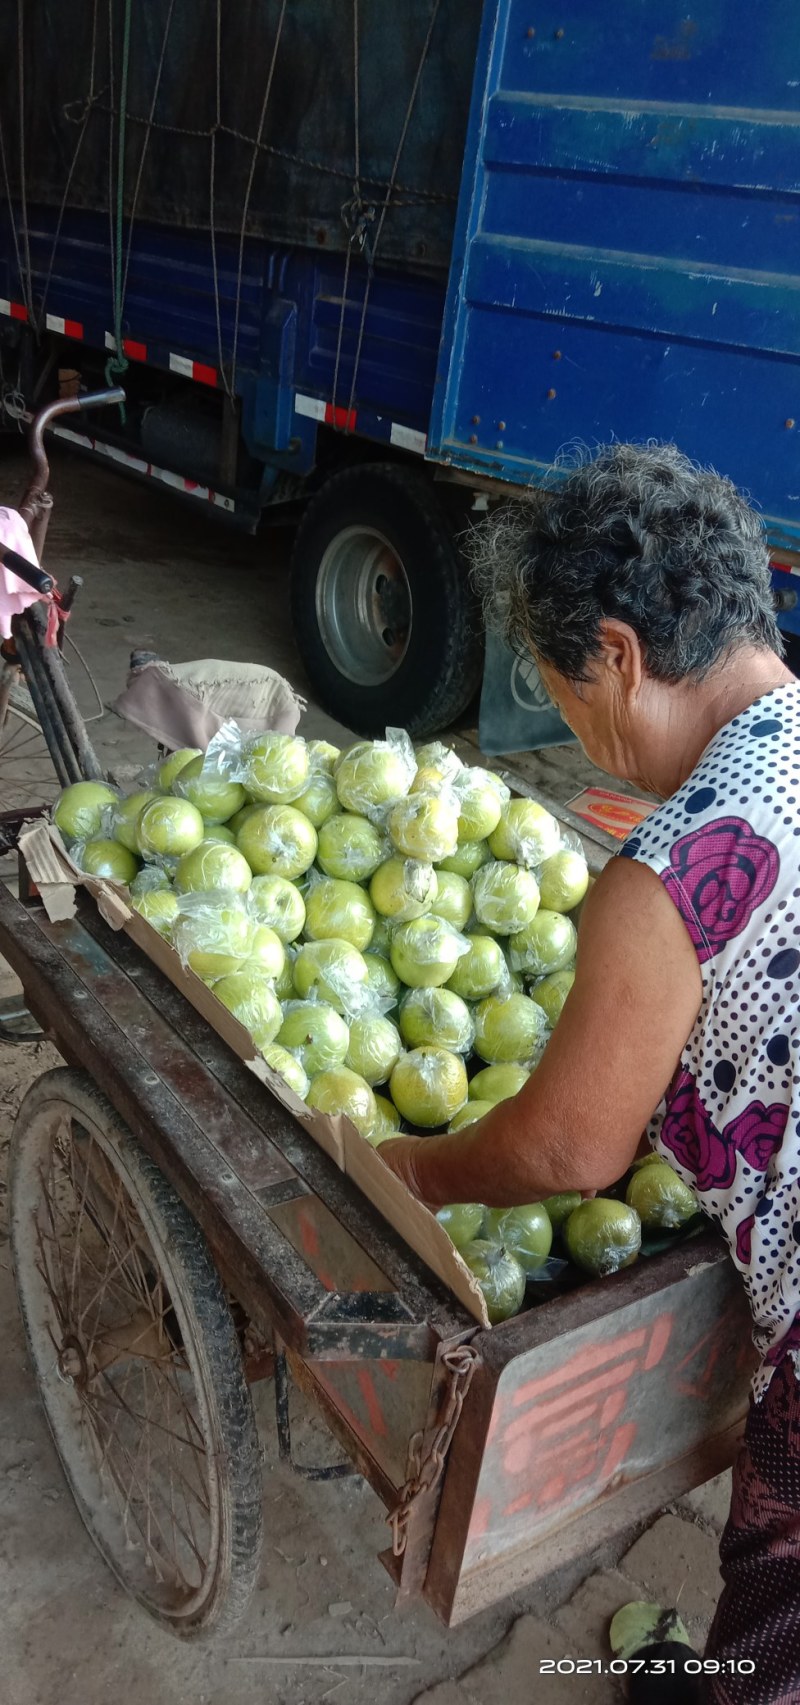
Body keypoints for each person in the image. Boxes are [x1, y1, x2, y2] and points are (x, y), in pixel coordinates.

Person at [379, 443, 800, 1704]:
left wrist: (410, 1168)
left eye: (559, 693)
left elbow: (567, 1152)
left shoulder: (672, 869)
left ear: (616, 655)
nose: (570, 728)